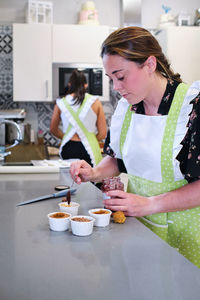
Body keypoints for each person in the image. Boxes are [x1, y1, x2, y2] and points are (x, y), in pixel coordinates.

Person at [70, 26, 200, 267]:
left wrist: (150, 204)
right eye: (111, 79)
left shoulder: (191, 106)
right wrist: (94, 172)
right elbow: (118, 159)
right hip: (140, 226)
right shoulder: (127, 108)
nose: (116, 88)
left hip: (186, 232)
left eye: (121, 76)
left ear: (150, 64)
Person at [50, 69, 107, 166]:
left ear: (69, 84)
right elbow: (103, 133)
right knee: (91, 179)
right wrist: (91, 139)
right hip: (89, 148)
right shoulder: (96, 102)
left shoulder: (60, 103)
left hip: (68, 147)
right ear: (86, 85)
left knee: (68, 178)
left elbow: (53, 129)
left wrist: (67, 137)